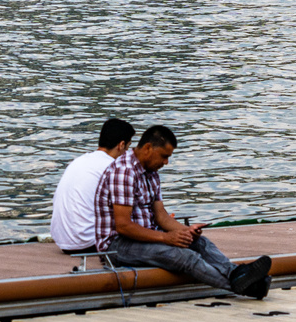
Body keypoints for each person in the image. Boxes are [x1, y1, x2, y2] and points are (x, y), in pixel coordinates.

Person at [94, 125, 273, 298]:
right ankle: (244, 288)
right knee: (185, 257)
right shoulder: (124, 172)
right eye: (164, 156)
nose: (166, 162)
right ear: (148, 148)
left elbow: (161, 216)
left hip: (145, 238)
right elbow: (124, 226)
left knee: (201, 243)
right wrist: (166, 238)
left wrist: (185, 232)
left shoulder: (151, 173)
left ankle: (238, 274)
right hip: (118, 246)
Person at [50, 118, 134, 252]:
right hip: (88, 242)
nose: (127, 153)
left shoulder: (79, 161)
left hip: (63, 241)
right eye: (128, 147)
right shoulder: (112, 167)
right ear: (121, 145)